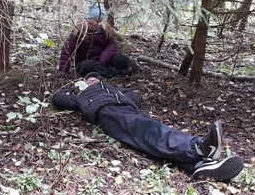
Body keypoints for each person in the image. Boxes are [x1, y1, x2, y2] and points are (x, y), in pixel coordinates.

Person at [52, 72, 244, 181]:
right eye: (89, 80)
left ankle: (201, 166)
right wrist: (75, 90)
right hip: (106, 111)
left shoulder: (114, 89)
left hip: (127, 110)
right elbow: (59, 98)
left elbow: (134, 95)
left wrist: (123, 97)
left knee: (146, 136)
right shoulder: (81, 95)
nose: (93, 81)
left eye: (96, 79)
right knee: (148, 131)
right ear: (83, 83)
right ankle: (197, 147)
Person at [57, 2, 137, 78]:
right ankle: (117, 73)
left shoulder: (105, 30)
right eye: (97, 21)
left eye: (102, 21)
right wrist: (63, 71)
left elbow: (112, 44)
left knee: (120, 58)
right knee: (88, 66)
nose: (100, 24)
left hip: (103, 60)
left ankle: (133, 68)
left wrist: (104, 57)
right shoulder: (80, 31)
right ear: (90, 19)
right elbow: (67, 51)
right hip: (85, 62)